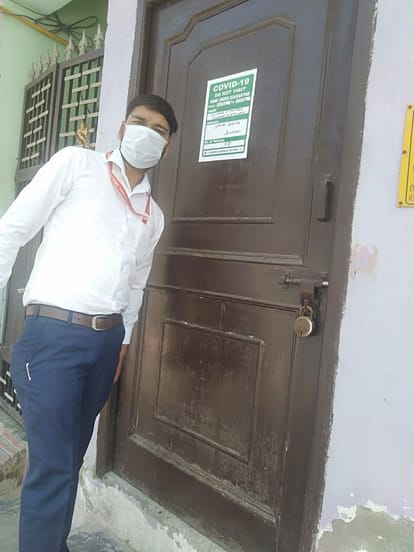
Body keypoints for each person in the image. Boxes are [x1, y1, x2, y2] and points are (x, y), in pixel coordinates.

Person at [0, 93, 178, 552]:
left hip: (105, 343)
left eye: (159, 130)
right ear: (121, 129)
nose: (147, 133)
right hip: (53, 334)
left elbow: (136, 285)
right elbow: (12, 229)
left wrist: (123, 344)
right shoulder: (77, 165)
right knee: (53, 467)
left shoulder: (153, 216)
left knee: (71, 461)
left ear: (167, 146)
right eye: (139, 121)